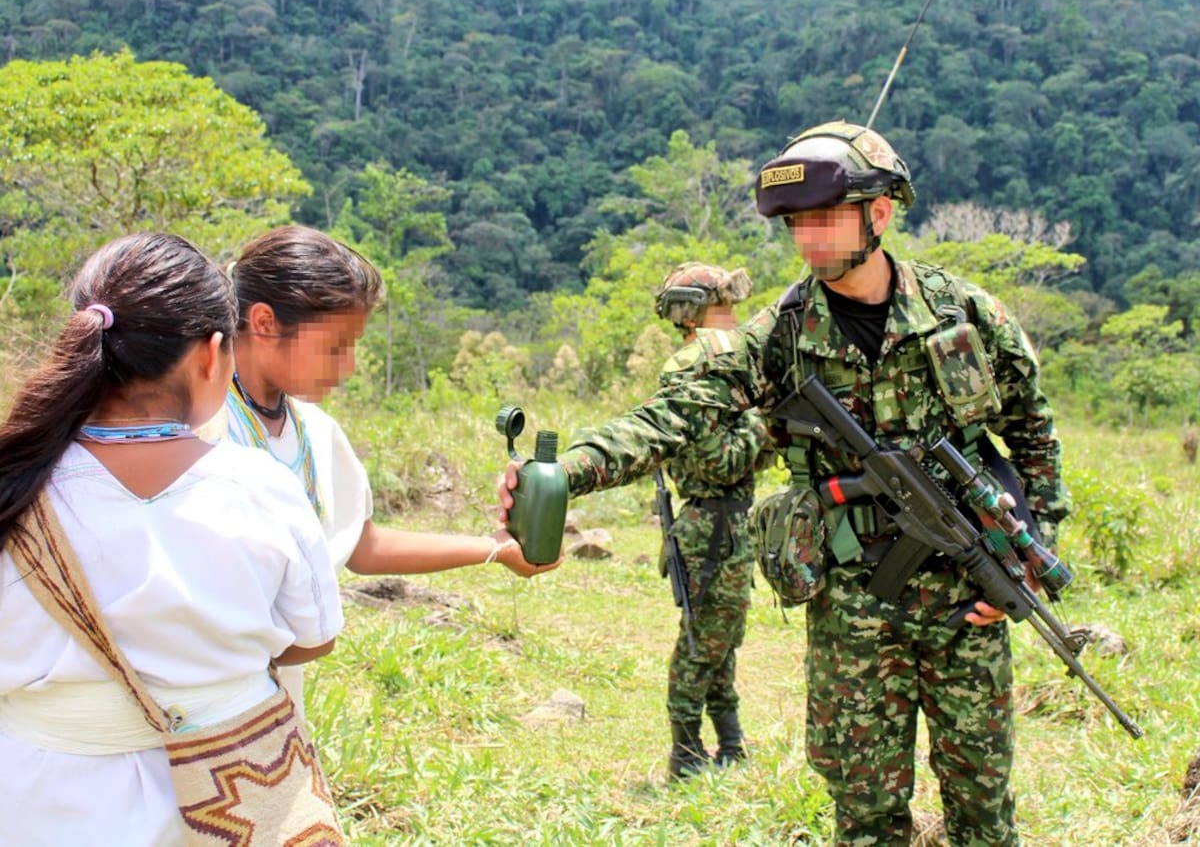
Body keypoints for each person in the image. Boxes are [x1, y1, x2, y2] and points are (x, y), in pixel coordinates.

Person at [501, 121, 1070, 844]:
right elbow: (677, 414)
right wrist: (563, 471)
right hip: (855, 609)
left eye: (825, 219)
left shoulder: (964, 313)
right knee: (865, 815)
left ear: (881, 214)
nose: (808, 239)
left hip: (969, 599)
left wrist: (1030, 553)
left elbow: (1033, 433)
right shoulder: (782, 335)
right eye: (798, 224)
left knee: (983, 811)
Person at [0, 232, 344, 845]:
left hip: (37, 800)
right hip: (228, 797)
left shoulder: (18, 485)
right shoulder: (260, 487)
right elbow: (312, 638)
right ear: (212, 354)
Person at [203, 226, 561, 703]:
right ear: (265, 322)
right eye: (334, 347)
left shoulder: (315, 431)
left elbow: (361, 545)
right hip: (201, 702)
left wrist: (494, 548)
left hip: (272, 703)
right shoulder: (198, 427)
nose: (347, 367)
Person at [553, 262, 768, 779]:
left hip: (727, 526)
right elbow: (723, 462)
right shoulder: (694, 377)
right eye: (724, 307)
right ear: (695, 314)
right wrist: (765, 424)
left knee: (722, 639)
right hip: (709, 529)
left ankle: (731, 743)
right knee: (702, 644)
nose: (734, 317)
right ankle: (687, 753)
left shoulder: (723, 370)